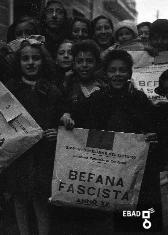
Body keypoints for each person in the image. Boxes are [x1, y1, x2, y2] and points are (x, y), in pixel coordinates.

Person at [62, 50, 162, 233]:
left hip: (134, 168)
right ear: (106, 74)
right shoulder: (97, 98)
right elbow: (76, 114)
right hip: (106, 169)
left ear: (129, 73)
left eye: (122, 70)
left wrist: (152, 136)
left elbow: (153, 127)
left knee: (135, 218)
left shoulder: (139, 99)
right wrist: (68, 116)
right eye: (112, 70)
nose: (117, 74)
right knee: (107, 220)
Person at [4, 38, 62, 235]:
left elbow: (59, 117)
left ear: (43, 61)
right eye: (25, 59)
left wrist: (56, 132)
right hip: (18, 154)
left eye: (35, 58)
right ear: (18, 62)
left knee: (41, 199)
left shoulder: (52, 90)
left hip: (43, 154)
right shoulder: (10, 89)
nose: (30, 63)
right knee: (19, 197)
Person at [60, 40, 103, 129]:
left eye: (89, 61)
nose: (84, 65)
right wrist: (65, 116)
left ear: (97, 64)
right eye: (79, 61)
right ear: (74, 64)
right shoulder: (68, 86)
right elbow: (63, 109)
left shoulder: (104, 87)